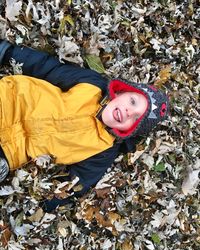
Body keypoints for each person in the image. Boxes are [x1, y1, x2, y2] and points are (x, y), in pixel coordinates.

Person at [0, 40, 169, 211]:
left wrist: (44, 202)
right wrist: (9, 53)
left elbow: (76, 183)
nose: (128, 111)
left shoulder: (103, 150)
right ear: (121, 91)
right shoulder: (92, 85)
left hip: (11, 150)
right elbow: (49, 68)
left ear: (130, 130)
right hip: (10, 102)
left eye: (135, 118)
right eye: (132, 101)